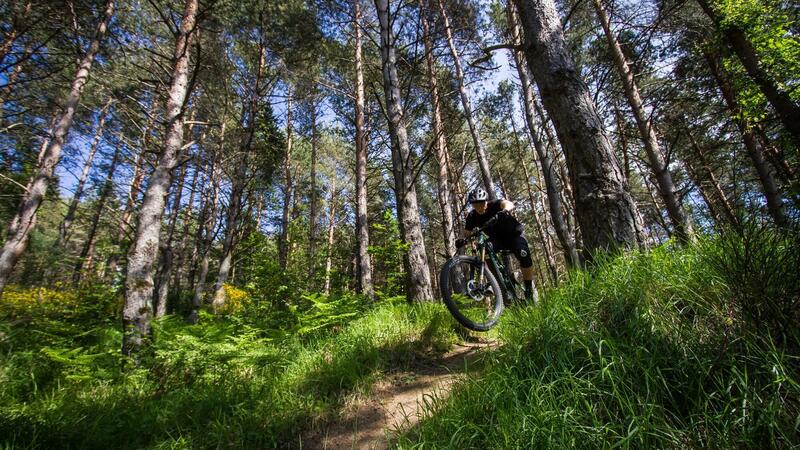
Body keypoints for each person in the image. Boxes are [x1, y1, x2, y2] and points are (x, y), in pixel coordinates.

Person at [455, 188, 536, 301]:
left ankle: (529, 289)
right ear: (472, 205)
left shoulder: (495, 204)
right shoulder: (472, 216)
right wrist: (462, 240)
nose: (479, 207)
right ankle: (495, 281)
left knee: (523, 254)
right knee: (485, 248)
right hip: (497, 240)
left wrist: (504, 211)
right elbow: (467, 233)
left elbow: (508, 203)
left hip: (514, 234)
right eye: (475, 205)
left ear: (486, 201)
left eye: (481, 203)